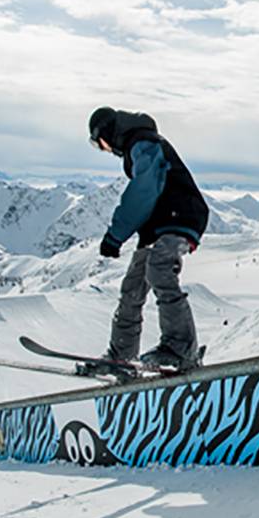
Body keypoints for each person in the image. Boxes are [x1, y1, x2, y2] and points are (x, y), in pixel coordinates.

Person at [88, 106, 209, 371]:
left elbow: (144, 189)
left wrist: (116, 235)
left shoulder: (143, 142)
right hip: (158, 223)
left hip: (181, 216)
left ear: (106, 133)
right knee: (133, 285)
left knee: (159, 268)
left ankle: (181, 348)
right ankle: (121, 355)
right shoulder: (136, 147)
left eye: (100, 144)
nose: (104, 150)